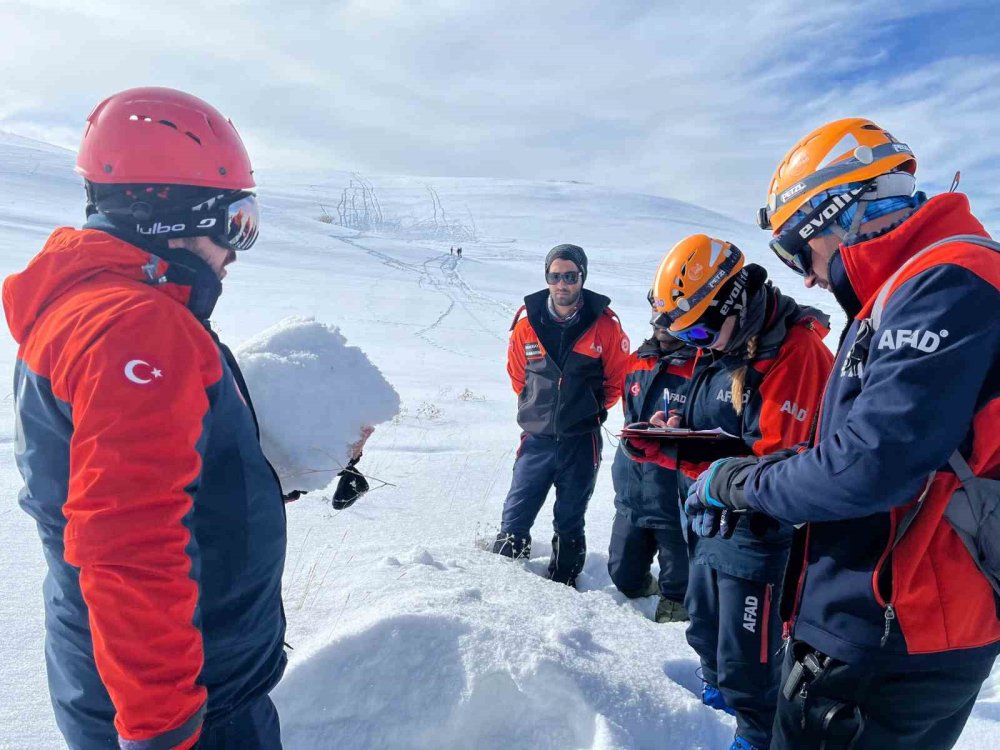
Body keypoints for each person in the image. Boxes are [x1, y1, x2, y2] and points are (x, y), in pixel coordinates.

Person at [685, 118, 1000, 749]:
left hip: (894, 624)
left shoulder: (943, 281)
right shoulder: (906, 288)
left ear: (837, 213)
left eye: (797, 252)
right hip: (908, 619)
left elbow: (870, 467)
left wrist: (741, 483)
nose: (804, 276)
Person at [3, 87, 287, 749]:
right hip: (181, 703)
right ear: (176, 217)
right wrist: (162, 727)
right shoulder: (137, 328)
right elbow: (125, 546)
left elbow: (137, 483)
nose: (237, 252)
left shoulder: (96, 307)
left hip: (147, 677)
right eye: (236, 222)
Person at [626, 235, 833, 750]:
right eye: (684, 333)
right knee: (705, 629)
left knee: (752, 660)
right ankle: (717, 707)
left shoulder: (795, 351)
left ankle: (758, 734)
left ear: (734, 299)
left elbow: (784, 469)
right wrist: (669, 440)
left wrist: (715, 475)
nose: (697, 343)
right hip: (711, 517)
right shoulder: (720, 347)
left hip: (764, 533)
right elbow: (723, 434)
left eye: (699, 327)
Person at [492, 243, 630, 586]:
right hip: (536, 440)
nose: (562, 284)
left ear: (582, 277)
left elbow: (617, 380)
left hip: (581, 442)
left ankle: (564, 584)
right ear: (547, 278)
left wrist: (587, 411)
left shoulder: (605, 327)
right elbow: (518, 377)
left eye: (570, 276)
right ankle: (503, 581)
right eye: (556, 276)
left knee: (569, 519)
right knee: (516, 516)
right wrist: (539, 409)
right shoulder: (527, 324)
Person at [607, 295, 696, 622]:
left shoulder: (702, 365)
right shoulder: (636, 362)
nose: (663, 322)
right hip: (632, 488)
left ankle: (677, 609)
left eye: (672, 314)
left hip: (673, 494)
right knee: (623, 576)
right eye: (658, 313)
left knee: (678, 593)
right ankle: (647, 584)